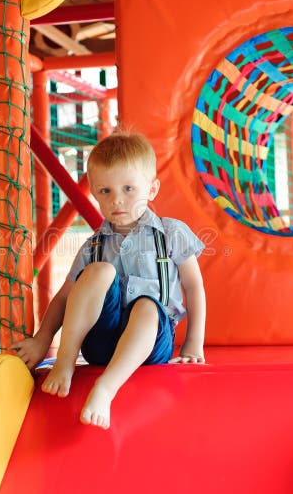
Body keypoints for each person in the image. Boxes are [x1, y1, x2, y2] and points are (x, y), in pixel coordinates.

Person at [12, 131, 206, 429]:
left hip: (151, 342)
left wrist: (193, 344)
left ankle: (105, 389)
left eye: (129, 188)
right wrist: (42, 340)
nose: (117, 200)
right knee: (99, 271)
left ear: (151, 189)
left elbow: (193, 287)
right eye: (105, 191)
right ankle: (65, 363)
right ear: (94, 192)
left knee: (147, 307)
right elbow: (65, 297)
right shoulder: (94, 244)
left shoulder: (171, 233)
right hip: (100, 342)